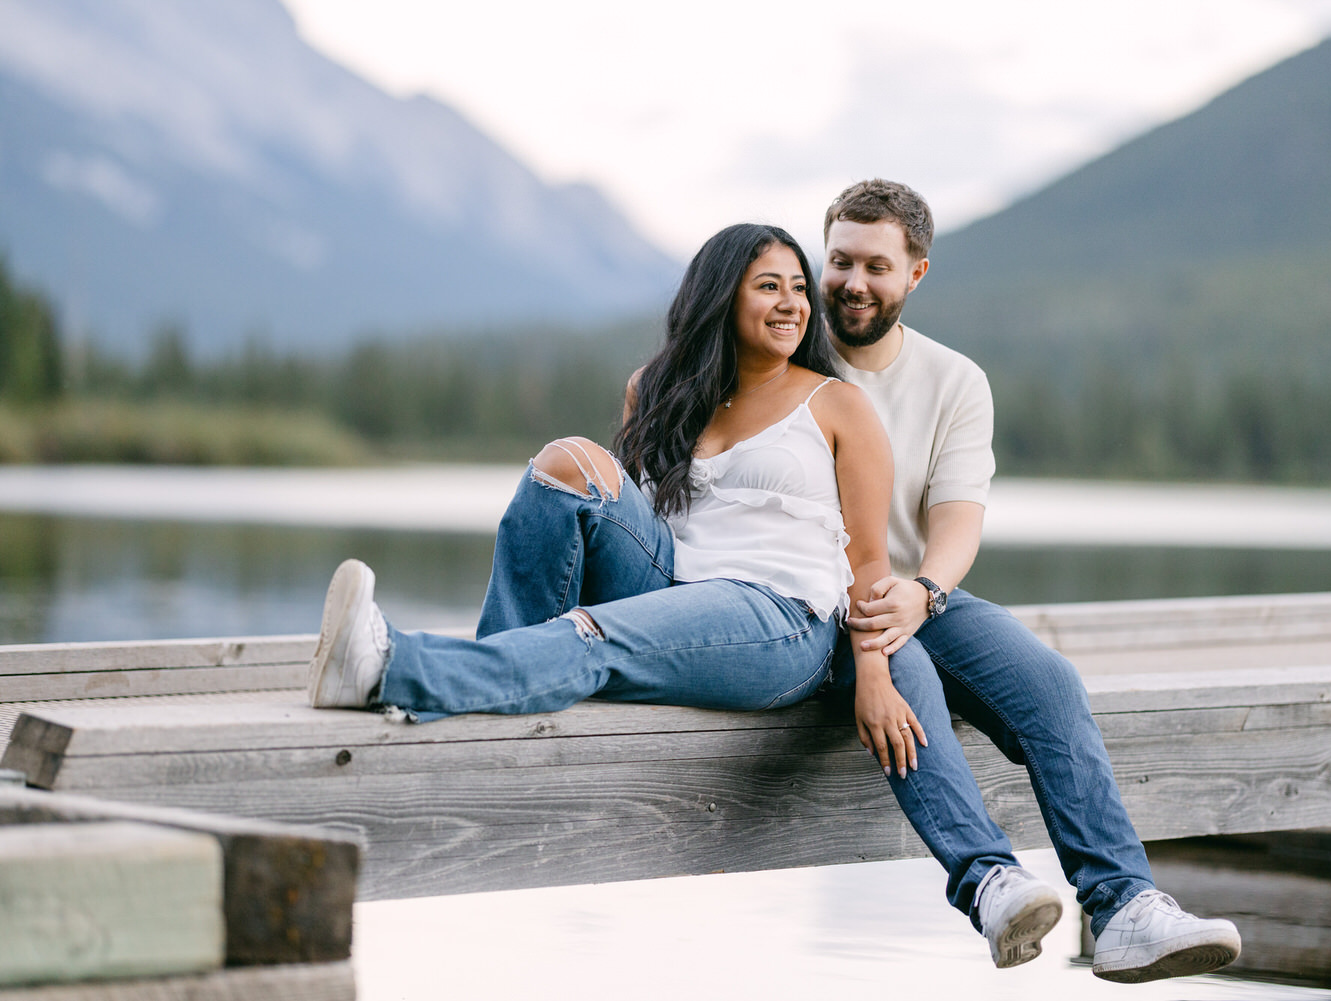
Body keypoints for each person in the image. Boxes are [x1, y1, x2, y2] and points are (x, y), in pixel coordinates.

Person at [305, 223, 941, 797]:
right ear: (721, 299)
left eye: (799, 288)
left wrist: (873, 676)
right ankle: (500, 676)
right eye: (769, 286)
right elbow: (633, 516)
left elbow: (867, 563)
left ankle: (389, 668)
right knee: (567, 461)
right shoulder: (659, 389)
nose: (793, 304)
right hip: (671, 581)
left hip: (776, 614)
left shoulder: (837, 404)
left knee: (593, 634)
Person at [819, 178, 1243, 983]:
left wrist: (925, 591)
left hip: (919, 594)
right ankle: (988, 881)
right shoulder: (792, 357)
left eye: (877, 265)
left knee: (1048, 680)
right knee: (903, 674)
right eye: (840, 260)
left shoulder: (953, 380)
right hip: (821, 607)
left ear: (916, 274)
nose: (854, 282)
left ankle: (1122, 908)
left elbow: (957, 518)